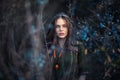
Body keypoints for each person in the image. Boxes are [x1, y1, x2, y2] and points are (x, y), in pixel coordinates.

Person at [46, 13, 78, 80]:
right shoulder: (46, 47)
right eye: (57, 26)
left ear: (68, 28)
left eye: (64, 26)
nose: (61, 29)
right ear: (54, 28)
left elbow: (83, 71)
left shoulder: (77, 47)